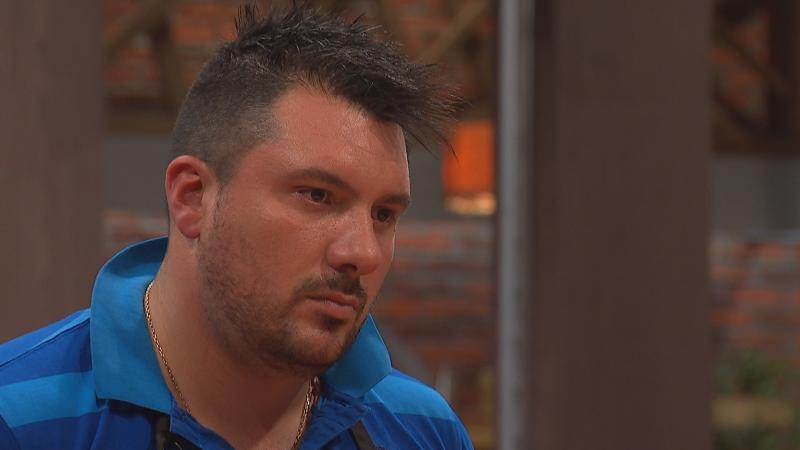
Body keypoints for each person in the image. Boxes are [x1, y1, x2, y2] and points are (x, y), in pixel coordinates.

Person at [0, 3, 472, 450]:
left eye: (384, 214)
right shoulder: (18, 418)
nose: (363, 253)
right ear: (193, 197)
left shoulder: (422, 428)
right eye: (317, 196)